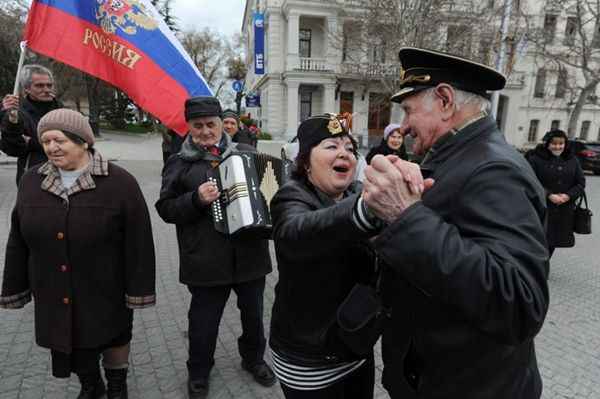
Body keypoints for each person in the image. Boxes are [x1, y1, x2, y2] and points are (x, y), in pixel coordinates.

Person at [361, 48, 550, 398]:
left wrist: (406, 215)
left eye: (408, 110)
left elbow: (520, 303)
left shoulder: (495, 169)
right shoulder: (456, 155)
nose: (402, 126)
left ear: (445, 100)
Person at [0, 109, 156, 399]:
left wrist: (139, 290)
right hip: (52, 286)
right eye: (45, 141)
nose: (51, 147)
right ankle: (91, 384)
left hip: (105, 286)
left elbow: (139, 242)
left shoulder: (120, 182)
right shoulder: (32, 181)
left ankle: (117, 385)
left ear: (83, 141)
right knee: (68, 341)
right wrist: (14, 286)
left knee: (114, 336)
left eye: (59, 140)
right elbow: (17, 238)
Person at [155, 96, 275, 399]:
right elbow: (166, 209)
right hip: (205, 259)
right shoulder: (179, 162)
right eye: (198, 126)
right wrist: (195, 199)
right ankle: (198, 371)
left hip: (250, 255)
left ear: (223, 125)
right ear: (189, 128)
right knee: (203, 323)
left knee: (253, 316)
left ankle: (253, 359)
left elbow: (271, 193)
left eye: (211, 124)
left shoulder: (246, 153)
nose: (206, 131)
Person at [269, 113, 381, 399]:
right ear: (305, 161)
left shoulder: (356, 192)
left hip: (356, 344)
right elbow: (296, 232)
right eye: (331, 146)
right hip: (309, 357)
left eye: (350, 148)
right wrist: (365, 211)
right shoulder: (291, 197)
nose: (344, 153)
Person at [527, 129, 585, 258]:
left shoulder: (572, 160)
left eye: (561, 144)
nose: (558, 147)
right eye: (554, 143)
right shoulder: (535, 159)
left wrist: (568, 195)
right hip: (541, 208)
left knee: (552, 241)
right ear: (547, 144)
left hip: (564, 209)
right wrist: (548, 195)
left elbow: (581, 183)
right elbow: (530, 181)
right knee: (537, 240)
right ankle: (535, 268)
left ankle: (543, 268)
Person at [0, 64, 62, 185]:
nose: (46, 89)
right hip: (34, 178)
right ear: (26, 89)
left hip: (65, 174)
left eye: (49, 85)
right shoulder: (19, 112)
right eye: (39, 86)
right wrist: (11, 118)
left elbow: (75, 142)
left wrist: (32, 142)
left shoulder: (62, 110)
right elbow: (12, 148)